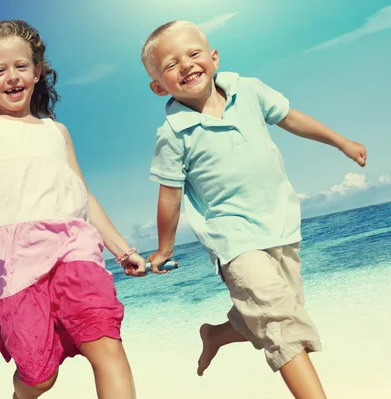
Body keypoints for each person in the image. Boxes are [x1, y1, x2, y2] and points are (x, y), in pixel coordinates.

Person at [141, 20, 367, 399]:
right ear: (158, 86)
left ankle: (215, 333)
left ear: (213, 58)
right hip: (234, 240)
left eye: (194, 54)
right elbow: (169, 195)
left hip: (281, 226)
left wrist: (341, 142)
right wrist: (165, 248)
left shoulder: (249, 91)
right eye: (170, 64)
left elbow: (290, 117)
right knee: (282, 323)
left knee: (270, 313)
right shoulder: (173, 134)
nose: (186, 65)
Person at [0, 19, 146, 399]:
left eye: (21, 66)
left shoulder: (57, 131)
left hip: (73, 248)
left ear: (36, 72)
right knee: (39, 376)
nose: (12, 77)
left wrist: (123, 250)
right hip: (12, 258)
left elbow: (82, 196)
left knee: (105, 340)